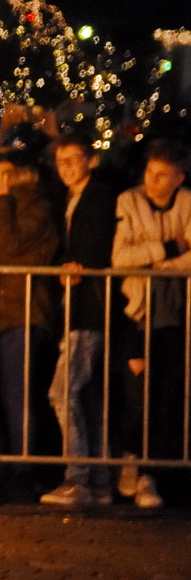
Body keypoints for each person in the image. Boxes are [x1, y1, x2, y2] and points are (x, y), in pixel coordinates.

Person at [109, 139, 191, 511]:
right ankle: (134, 461)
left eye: (162, 175)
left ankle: (151, 472)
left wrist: (154, 263)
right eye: (149, 172)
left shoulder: (187, 203)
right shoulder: (129, 201)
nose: (152, 181)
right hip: (137, 313)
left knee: (168, 395)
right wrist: (169, 249)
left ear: (179, 178)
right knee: (138, 394)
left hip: (176, 313)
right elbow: (121, 257)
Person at [41, 135, 121, 507]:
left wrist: (79, 265)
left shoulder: (99, 197)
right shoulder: (69, 199)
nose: (66, 167)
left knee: (63, 391)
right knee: (84, 395)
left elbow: (96, 245)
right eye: (61, 161)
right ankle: (98, 480)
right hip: (77, 307)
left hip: (89, 306)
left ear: (91, 160)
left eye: (74, 159)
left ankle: (78, 477)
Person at [0, 154, 59, 465]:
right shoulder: (9, 206)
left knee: (16, 395)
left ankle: (22, 465)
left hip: (23, 312)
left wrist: (0, 201)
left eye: (3, 174)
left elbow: (6, 248)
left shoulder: (35, 207)